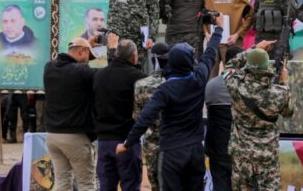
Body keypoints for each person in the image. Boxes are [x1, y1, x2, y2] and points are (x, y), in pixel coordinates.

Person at [118, 16, 223, 191]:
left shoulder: (164, 90)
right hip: (195, 151)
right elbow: (210, 53)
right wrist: (218, 30)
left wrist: (128, 143)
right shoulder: (199, 79)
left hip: (171, 153)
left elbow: (145, 117)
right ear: (190, 62)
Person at [224, 40, 293, 190]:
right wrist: (285, 82)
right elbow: (288, 113)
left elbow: (228, 67)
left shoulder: (235, 86)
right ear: (266, 67)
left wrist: (253, 50)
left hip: (241, 153)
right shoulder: (279, 93)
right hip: (266, 154)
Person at [43, 37, 98, 191]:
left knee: (62, 182)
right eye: (88, 57)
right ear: (82, 51)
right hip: (75, 137)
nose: (87, 62)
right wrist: (113, 50)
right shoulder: (81, 71)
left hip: (52, 135)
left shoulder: (49, 67)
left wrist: (85, 43)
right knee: (86, 184)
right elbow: (108, 76)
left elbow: (66, 58)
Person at [93, 35, 147, 191]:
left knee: (106, 186)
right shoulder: (138, 78)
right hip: (127, 141)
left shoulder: (98, 76)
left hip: (103, 141)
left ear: (116, 54)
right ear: (134, 57)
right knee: (130, 185)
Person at [204, 45, 244, 190]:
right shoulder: (246, 86)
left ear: (225, 62)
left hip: (216, 146)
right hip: (240, 148)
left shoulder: (211, 85)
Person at [133, 42, 169, 191]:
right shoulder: (176, 82)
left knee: (155, 184)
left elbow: (137, 116)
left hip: (152, 141)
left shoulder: (142, 85)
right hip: (174, 142)